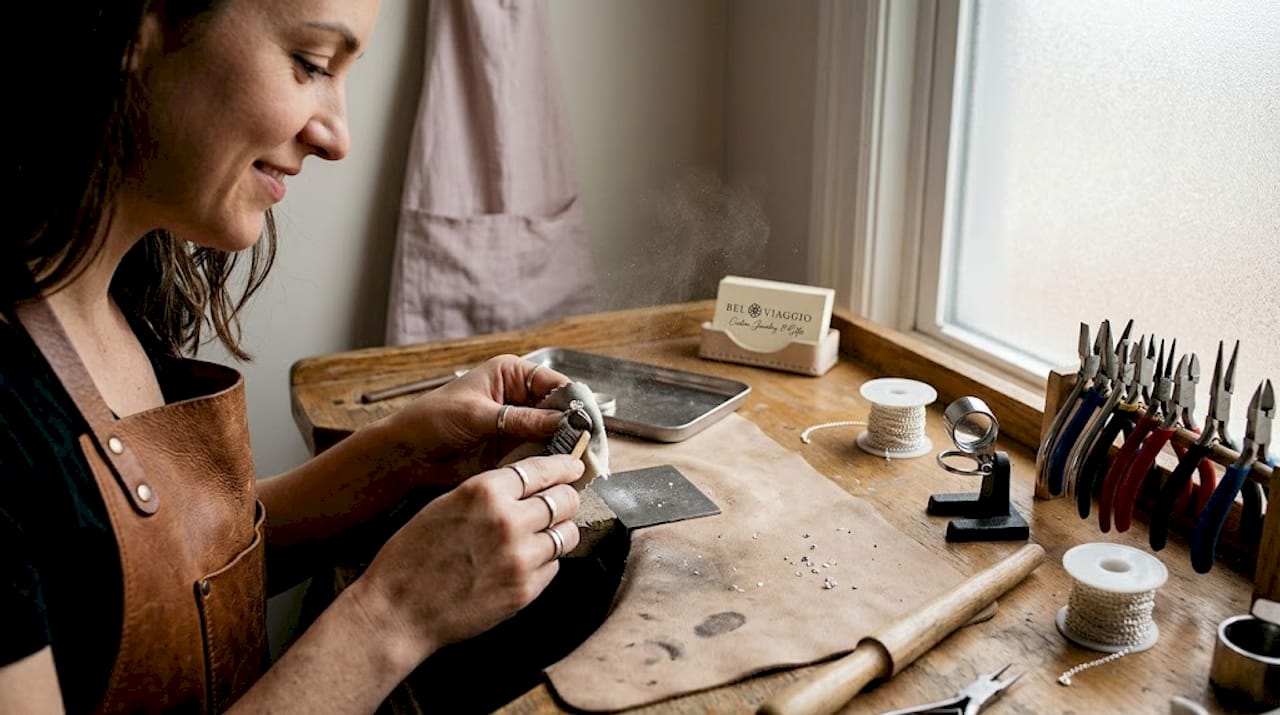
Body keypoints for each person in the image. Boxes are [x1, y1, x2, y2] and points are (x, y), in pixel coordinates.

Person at [1, 1, 587, 712]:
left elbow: (141, 578)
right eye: (310, 64)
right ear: (136, 29)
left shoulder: (111, 285)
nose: (338, 138)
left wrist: (397, 455)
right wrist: (394, 613)